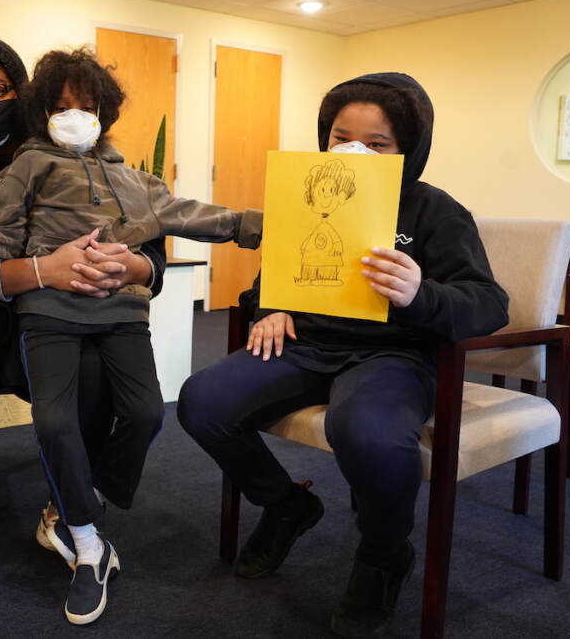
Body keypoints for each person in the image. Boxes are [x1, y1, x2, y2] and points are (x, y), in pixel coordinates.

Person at [176, 73, 509, 638]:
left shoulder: (436, 212)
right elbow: (272, 277)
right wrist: (269, 306)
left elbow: (488, 304)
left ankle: (383, 554)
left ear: (408, 149)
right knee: (201, 401)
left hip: (392, 357)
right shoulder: (307, 195)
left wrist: (419, 294)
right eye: (340, 137)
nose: (354, 151)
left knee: (368, 432)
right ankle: (286, 506)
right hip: (306, 346)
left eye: (377, 143)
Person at [0, 47, 262, 625]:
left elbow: (190, 213)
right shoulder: (27, 166)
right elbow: (6, 234)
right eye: (61, 106)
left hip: (122, 313)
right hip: (47, 314)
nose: (74, 115)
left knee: (145, 414)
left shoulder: (134, 177)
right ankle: (87, 544)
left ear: (103, 111)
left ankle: (82, 500)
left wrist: (256, 224)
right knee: (55, 422)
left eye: (86, 106)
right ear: (42, 111)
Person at [0, 35, 168, 602]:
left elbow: (146, 243)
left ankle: (68, 504)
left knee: (96, 370)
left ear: (25, 95)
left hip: (52, 318)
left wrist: (134, 266)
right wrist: (35, 272)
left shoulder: (80, 155)